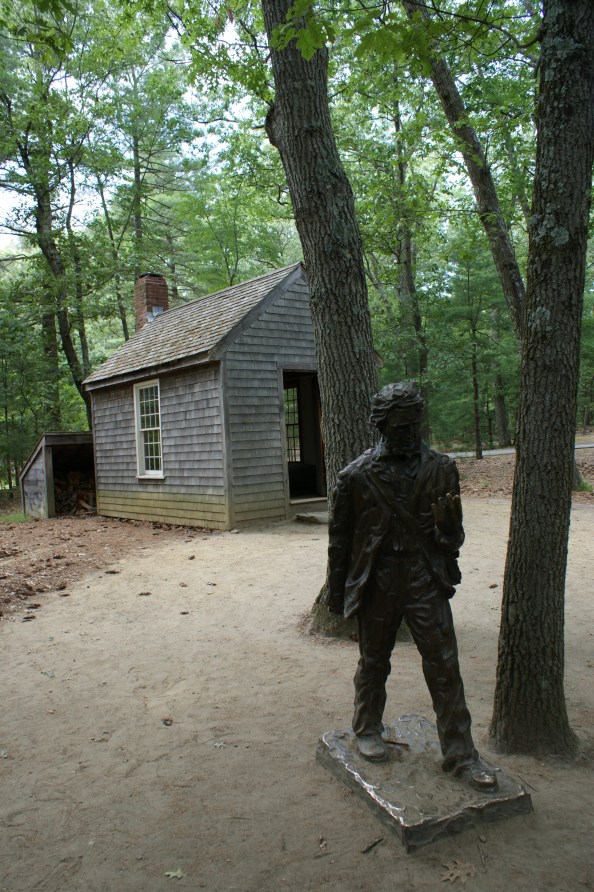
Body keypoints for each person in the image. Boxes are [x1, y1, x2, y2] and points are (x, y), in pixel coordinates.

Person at [326, 381, 497, 791]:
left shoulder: (442, 469)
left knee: (445, 664)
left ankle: (461, 754)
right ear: (382, 425)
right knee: (373, 660)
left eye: (414, 425)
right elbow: (340, 541)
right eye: (400, 426)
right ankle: (367, 727)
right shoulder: (356, 476)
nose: (408, 433)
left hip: (424, 579)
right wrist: (337, 595)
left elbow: (452, 540)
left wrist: (450, 532)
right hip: (379, 581)